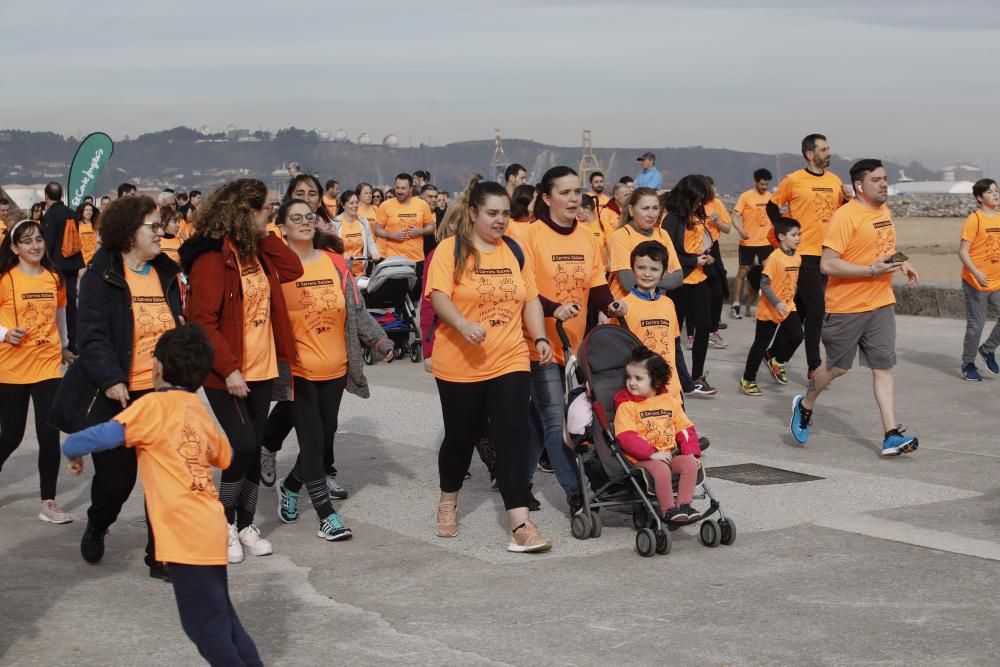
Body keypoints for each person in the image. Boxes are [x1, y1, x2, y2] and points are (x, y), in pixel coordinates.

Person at [63, 325, 263, 666]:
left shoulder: (152, 407)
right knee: (222, 618)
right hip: (211, 526)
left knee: (204, 628)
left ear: (157, 367)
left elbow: (96, 437)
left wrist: (72, 448)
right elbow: (225, 456)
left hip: (184, 536)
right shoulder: (196, 408)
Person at [49, 195, 183, 579]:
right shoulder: (100, 275)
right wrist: (110, 378)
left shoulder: (166, 272)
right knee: (117, 480)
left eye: (161, 225)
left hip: (162, 395)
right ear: (128, 234)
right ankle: (98, 522)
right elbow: (91, 335)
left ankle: (160, 554)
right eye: (152, 227)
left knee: (164, 478)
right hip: (120, 394)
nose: (161, 232)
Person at [425, 180, 553, 551]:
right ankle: (448, 500)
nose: (500, 221)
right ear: (473, 214)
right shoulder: (450, 250)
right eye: (492, 214)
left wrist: (540, 337)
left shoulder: (513, 251)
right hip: (460, 362)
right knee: (460, 438)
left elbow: (530, 299)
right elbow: (438, 296)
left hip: (510, 356)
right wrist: (461, 323)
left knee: (513, 435)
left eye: (505, 214)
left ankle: (520, 524)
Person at [180, 178, 303, 563]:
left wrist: (264, 234)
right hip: (226, 373)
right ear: (240, 212)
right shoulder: (213, 258)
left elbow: (293, 267)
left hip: (263, 367)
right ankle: (223, 520)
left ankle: (246, 525)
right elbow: (201, 319)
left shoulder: (259, 251)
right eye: (263, 206)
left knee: (250, 451)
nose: (271, 210)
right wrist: (229, 368)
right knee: (246, 444)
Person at [273, 199, 394, 541]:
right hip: (298, 373)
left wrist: (379, 341)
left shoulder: (335, 263)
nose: (304, 222)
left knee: (324, 437)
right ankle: (327, 516)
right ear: (280, 227)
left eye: (308, 216)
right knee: (312, 442)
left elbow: (356, 312)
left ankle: (292, 484)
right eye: (294, 218)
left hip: (336, 369)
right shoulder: (275, 270)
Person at [789, 160, 919, 457]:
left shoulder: (883, 212)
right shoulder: (845, 217)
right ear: (860, 185)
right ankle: (805, 404)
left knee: (883, 368)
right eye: (877, 180)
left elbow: (881, 249)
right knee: (836, 368)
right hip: (847, 306)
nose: (884, 184)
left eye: (885, 178)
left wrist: (902, 262)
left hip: (881, 303)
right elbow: (828, 263)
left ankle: (890, 435)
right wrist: (870, 271)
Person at [521, 166, 626, 515]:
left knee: (541, 418)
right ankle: (575, 492)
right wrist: (553, 309)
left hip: (577, 345)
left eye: (575, 191)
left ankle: (517, 481)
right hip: (540, 343)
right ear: (547, 198)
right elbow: (526, 291)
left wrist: (609, 304)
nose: (572, 198)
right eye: (563, 192)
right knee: (556, 419)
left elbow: (596, 284)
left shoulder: (587, 236)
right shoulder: (530, 236)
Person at [0, 219, 74, 524]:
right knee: (12, 436)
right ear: (15, 248)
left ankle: (49, 502)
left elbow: (61, 315)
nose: (35, 246)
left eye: (39, 239)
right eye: (27, 241)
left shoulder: (54, 277)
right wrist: (4, 333)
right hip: (12, 367)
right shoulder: (5, 279)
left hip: (47, 364)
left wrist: (65, 346)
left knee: (48, 434)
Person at [767, 134, 848, 377]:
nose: (828, 152)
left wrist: (849, 201)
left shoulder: (835, 181)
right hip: (802, 255)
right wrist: (783, 233)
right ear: (810, 154)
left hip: (827, 256)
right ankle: (814, 365)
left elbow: (842, 214)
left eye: (829, 148)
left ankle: (774, 354)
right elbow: (772, 206)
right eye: (823, 149)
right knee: (817, 308)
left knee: (802, 309)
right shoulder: (794, 180)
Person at [614, 347, 702, 522]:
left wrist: (691, 452)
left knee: (690, 463)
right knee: (661, 468)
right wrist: (651, 453)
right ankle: (668, 510)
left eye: (639, 378)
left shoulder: (670, 402)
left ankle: (684, 505)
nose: (632, 382)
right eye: (629, 377)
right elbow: (626, 437)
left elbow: (685, 429)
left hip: (668, 454)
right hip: (640, 458)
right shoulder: (627, 406)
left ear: (657, 381)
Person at [662, 175, 717, 396]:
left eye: (703, 199)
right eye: (697, 198)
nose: (700, 203)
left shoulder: (697, 215)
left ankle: (697, 375)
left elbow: (698, 243)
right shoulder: (672, 219)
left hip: (699, 280)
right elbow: (670, 253)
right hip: (679, 283)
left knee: (704, 327)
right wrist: (694, 260)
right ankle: (674, 375)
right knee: (674, 332)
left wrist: (703, 257)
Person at [617, 240, 692, 397]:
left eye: (654, 269)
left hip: (671, 391)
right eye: (641, 268)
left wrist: (685, 383)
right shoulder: (622, 307)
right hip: (640, 393)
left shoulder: (668, 304)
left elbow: (676, 348)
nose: (647, 273)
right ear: (632, 269)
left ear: (663, 273)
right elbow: (619, 355)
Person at [740, 217, 803, 395]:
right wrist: (776, 302)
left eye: (799, 234)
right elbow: (764, 284)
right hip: (770, 309)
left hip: (788, 307)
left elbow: (793, 281)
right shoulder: (774, 258)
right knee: (760, 345)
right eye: (794, 235)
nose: (798, 238)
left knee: (797, 336)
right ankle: (748, 379)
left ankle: (777, 360)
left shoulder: (797, 257)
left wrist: (790, 298)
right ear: (782, 236)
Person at [606, 187, 681, 300]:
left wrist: (641, 279)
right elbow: (629, 283)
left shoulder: (663, 234)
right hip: (626, 307)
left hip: (656, 305)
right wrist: (662, 277)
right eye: (645, 208)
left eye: (655, 208)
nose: (651, 214)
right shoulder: (621, 236)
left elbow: (678, 278)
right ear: (631, 210)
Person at [958, 178, 1000, 381]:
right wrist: (976, 272)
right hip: (976, 282)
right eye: (990, 191)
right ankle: (968, 363)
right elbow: (963, 252)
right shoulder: (975, 219)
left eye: (997, 190)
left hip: (998, 281)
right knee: (977, 325)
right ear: (979, 197)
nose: (996, 194)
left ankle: (988, 349)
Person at [374, 173, 436, 300]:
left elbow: (431, 227)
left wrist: (420, 231)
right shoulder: (386, 205)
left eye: (403, 188)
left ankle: (410, 319)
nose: (399, 191)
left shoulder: (421, 205)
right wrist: (391, 235)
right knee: (395, 299)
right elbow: (377, 230)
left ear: (411, 189)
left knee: (414, 298)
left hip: (416, 259)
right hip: (393, 259)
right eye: (397, 188)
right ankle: (398, 319)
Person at [41, 182, 85, 353]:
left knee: (58, 304)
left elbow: (49, 242)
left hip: (56, 266)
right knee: (71, 303)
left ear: (46, 196)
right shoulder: (71, 213)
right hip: (72, 262)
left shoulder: (50, 215)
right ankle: (74, 341)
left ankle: (60, 340)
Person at [731, 169, 775, 319]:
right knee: (742, 272)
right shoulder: (745, 197)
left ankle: (767, 305)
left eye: (767, 184)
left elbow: (776, 218)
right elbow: (735, 216)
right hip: (748, 242)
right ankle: (736, 304)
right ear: (755, 182)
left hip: (766, 242)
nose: (764, 187)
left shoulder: (771, 197)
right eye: (762, 184)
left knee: (770, 273)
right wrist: (740, 229)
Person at [332, 190, 379, 276]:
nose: (355, 206)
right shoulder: (335, 223)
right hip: (342, 271)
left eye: (356, 202)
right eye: (351, 203)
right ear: (343, 205)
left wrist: (374, 252)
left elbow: (370, 242)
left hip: (360, 271)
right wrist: (341, 255)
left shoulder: (363, 221)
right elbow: (331, 248)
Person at [75, 201, 100, 267]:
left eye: (91, 210)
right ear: (82, 211)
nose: (89, 212)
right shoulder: (76, 225)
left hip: (93, 261)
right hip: (81, 262)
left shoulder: (96, 226)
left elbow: (98, 243)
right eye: (86, 210)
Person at [420, 183, 441, 255]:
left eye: (435, 197)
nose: (434, 199)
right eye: (430, 197)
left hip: (439, 255)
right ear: (421, 197)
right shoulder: (416, 215)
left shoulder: (443, 215)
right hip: (422, 255)